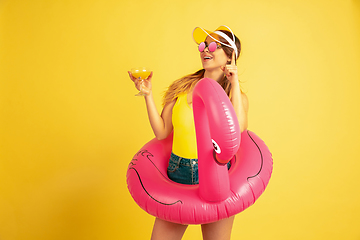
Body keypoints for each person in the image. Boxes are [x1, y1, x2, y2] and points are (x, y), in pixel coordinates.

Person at [128, 25, 249, 240]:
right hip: (179, 171)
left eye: (213, 45)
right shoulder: (182, 87)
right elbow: (162, 133)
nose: (205, 49)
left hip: (217, 175)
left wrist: (234, 82)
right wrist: (147, 95)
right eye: (203, 45)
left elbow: (238, 130)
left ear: (230, 56)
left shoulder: (234, 96)